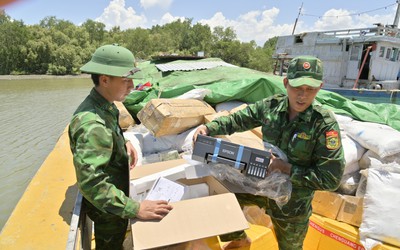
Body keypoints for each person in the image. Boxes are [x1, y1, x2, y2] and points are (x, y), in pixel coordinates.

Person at [193, 56, 345, 250]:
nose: (303, 95)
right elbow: (238, 119)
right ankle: (239, 239)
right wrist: (209, 128)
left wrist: (286, 169)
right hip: (261, 184)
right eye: (297, 87)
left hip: (293, 203)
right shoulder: (271, 107)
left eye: (310, 89)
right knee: (220, 191)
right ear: (286, 83)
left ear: (320, 87)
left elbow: (331, 179)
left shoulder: (323, 124)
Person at [69, 44, 173, 250]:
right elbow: (91, 184)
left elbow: (110, 130)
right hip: (109, 212)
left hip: (116, 200)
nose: (132, 86)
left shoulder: (105, 105)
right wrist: (134, 208)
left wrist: (122, 142)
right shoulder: (92, 125)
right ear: (105, 80)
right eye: (126, 80)